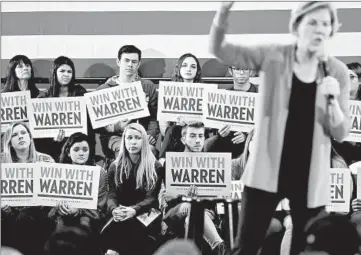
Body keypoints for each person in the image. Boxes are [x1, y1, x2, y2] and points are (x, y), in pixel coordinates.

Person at [209, 2, 351, 255]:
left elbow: (340, 132)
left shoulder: (337, 71)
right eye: (313, 22)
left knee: (304, 248)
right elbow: (219, 49)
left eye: (326, 24)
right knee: (246, 247)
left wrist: (333, 104)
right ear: (297, 27)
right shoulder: (275, 55)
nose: (320, 29)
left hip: (309, 176)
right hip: (266, 170)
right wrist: (223, 12)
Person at [162, 122, 228, 255]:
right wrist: (180, 194)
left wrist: (211, 194)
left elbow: (218, 198)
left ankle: (219, 248)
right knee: (190, 206)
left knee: (192, 219)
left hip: (205, 211)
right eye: (192, 136)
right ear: (183, 139)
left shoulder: (212, 162)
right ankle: (222, 248)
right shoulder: (172, 162)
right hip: (177, 210)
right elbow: (166, 197)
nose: (197, 140)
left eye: (201, 136)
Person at [101, 123, 164, 255]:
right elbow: (111, 195)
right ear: (124, 140)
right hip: (122, 212)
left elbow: (151, 198)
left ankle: (113, 251)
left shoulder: (155, 166)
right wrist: (114, 210)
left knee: (124, 229)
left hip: (147, 213)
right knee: (119, 225)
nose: (133, 142)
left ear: (144, 141)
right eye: (129, 138)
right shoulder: (114, 166)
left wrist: (134, 210)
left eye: (137, 138)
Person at [96, 45, 159, 167]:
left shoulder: (147, 87)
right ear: (118, 62)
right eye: (126, 60)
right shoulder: (103, 90)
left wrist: (150, 134)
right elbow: (98, 125)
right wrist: (117, 127)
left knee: (150, 151)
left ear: (139, 64)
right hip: (115, 137)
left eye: (134, 61)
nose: (130, 65)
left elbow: (153, 118)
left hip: (141, 135)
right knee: (124, 152)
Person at [1, 122, 55, 255]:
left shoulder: (46, 160)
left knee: (26, 218)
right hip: (8, 213)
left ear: (30, 137)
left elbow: (54, 193)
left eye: (23, 133)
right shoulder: (2, 163)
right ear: (9, 142)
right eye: (15, 135)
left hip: (40, 214)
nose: (20, 137)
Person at [48, 132, 108, 234]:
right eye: (76, 150)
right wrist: (58, 207)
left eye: (85, 150)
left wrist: (79, 210)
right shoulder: (58, 172)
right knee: (60, 226)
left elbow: (100, 208)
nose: (81, 153)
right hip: (62, 215)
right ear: (68, 152)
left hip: (89, 218)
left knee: (83, 224)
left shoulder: (100, 172)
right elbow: (49, 203)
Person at [36, 56, 94, 161]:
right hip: (53, 150)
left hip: (78, 147)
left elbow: (90, 124)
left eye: (69, 72)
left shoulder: (80, 93)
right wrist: (54, 140)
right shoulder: (43, 98)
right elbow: (39, 137)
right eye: (62, 71)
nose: (66, 75)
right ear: (54, 73)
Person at [156, 53, 203, 163]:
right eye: (184, 65)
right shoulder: (168, 91)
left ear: (197, 71)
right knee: (174, 129)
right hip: (175, 133)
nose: (188, 69)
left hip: (197, 132)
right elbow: (163, 129)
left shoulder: (204, 91)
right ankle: (163, 163)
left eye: (193, 66)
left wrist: (193, 123)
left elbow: (209, 126)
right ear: (179, 69)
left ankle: (163, 160)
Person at [204, 67, 257, 159]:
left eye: (245, 69)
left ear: (251, 71)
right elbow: (217, 125)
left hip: (252, 142)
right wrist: (220, 133)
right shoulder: (224, 96)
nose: (241, 72)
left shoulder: (259, 95)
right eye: (237, 69)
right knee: (209, 144)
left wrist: (246, 136)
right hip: (228, 141)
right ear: (230, 71)